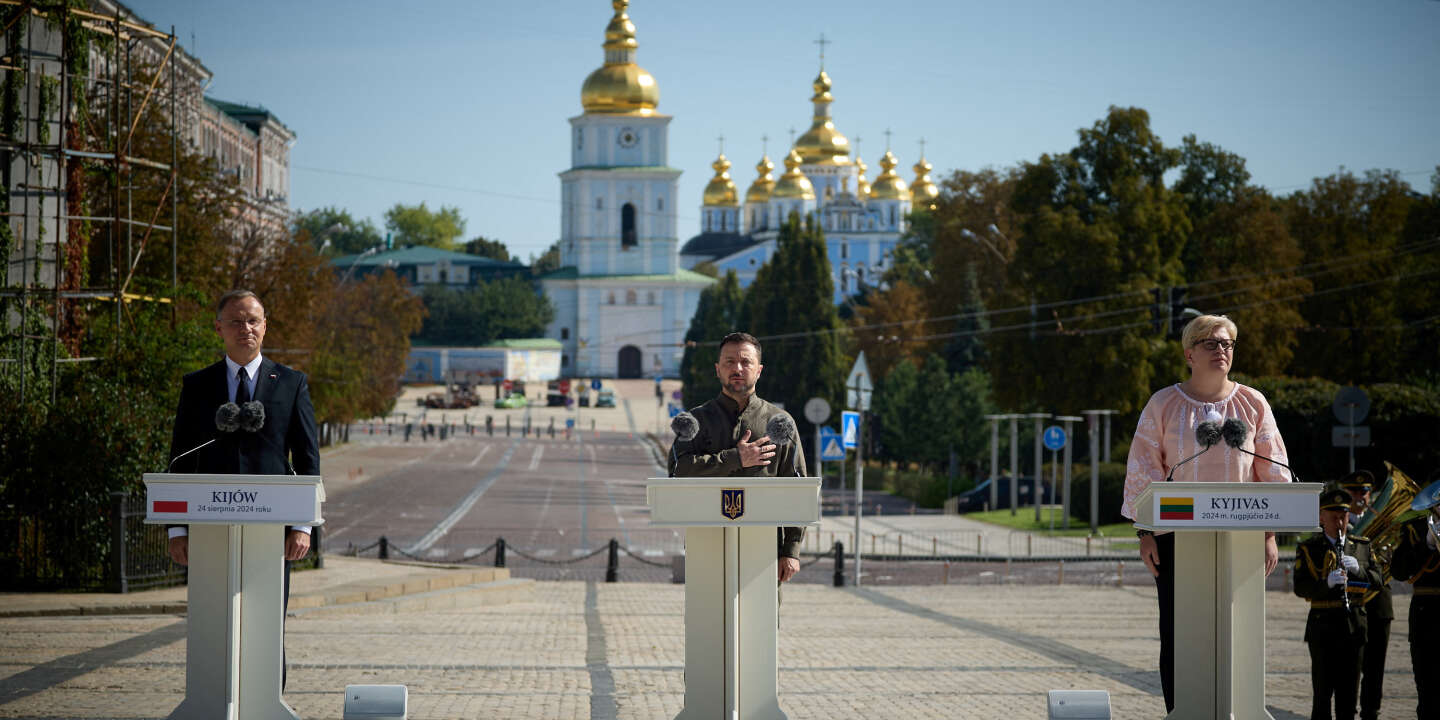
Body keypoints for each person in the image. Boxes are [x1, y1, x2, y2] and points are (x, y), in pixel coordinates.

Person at [1120, 314, 1291, 712]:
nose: (1221, 351)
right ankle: (1180, 711)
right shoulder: (1163, 403)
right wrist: (1145, 533)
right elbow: (1144, 469)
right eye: (1211, 344)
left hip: (1243, 539)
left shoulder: (1253, 403)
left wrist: (1268, 535)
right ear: (1189, 353)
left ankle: (1239, 710)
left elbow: (1272, 470)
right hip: (1176, 539)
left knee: (1238, 631)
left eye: (1228, 344)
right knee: (1180, 634)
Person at [167, 289, 320, 689]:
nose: (245, 328)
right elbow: (179, 458)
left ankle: (269, 702)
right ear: (219, 328)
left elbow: (307, 460)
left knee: (267, 625)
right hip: (210, 531)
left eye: (253, 320)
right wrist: (177, 529)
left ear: (265, 326)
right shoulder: (198, 385)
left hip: (272, 535)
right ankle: (214, 701)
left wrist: (303, 525)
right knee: (213, 622)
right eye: (235, 321)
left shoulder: (291, 383)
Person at [669, 331, 805, 583]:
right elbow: (677, 471)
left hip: (765, 549)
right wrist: (735, 459)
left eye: (746, 362)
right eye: (729, 362)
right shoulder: (696, 421)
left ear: (759, 370)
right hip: (706, 543)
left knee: (762, 622)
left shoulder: (780, 422)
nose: (737, 368)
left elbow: (797, 488)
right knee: (707, 621)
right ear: (717, 369)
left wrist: (791, 550)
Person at [1294, 485, 1381, 720]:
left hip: (1354, 627)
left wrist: (1359, 570)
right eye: (1333, 517)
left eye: (1343, 516)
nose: (1340, 522)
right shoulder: (1309, 548)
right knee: (1322, 695)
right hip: (1322, 628)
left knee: (1349, 696)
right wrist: (1327, 583)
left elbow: (1378, 580)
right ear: (1322, 517)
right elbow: (1300, 586)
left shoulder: (1361, 546)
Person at [1340, 470, 1392, 720]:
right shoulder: (1339, 521)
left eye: (1364, 492)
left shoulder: (1383, 521)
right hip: (1351, 602)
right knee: (1350, 666)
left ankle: (1372, 711)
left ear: (1371, 495)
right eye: (1354, 492)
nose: (1360, 497)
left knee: (1376, 665)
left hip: (1379, 603)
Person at [1388, 471, 1440, 720]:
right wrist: (1427, 543)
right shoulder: (1415, 529)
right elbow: (1399, 571)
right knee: (1427, 691)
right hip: (1426, 617)